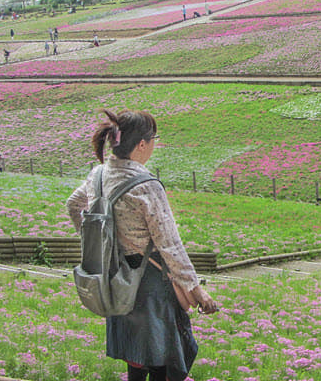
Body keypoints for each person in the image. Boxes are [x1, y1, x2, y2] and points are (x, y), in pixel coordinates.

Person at [66, 109, 217, 381]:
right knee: (160, 359)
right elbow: (170, 245)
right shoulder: (146, 186)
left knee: (135, 358)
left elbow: (74, 204)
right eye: (154, 139)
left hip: (116, 278)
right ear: (142, 144)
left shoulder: (98, 175)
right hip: (149, 283)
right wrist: (197, 291)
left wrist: (99, 242)